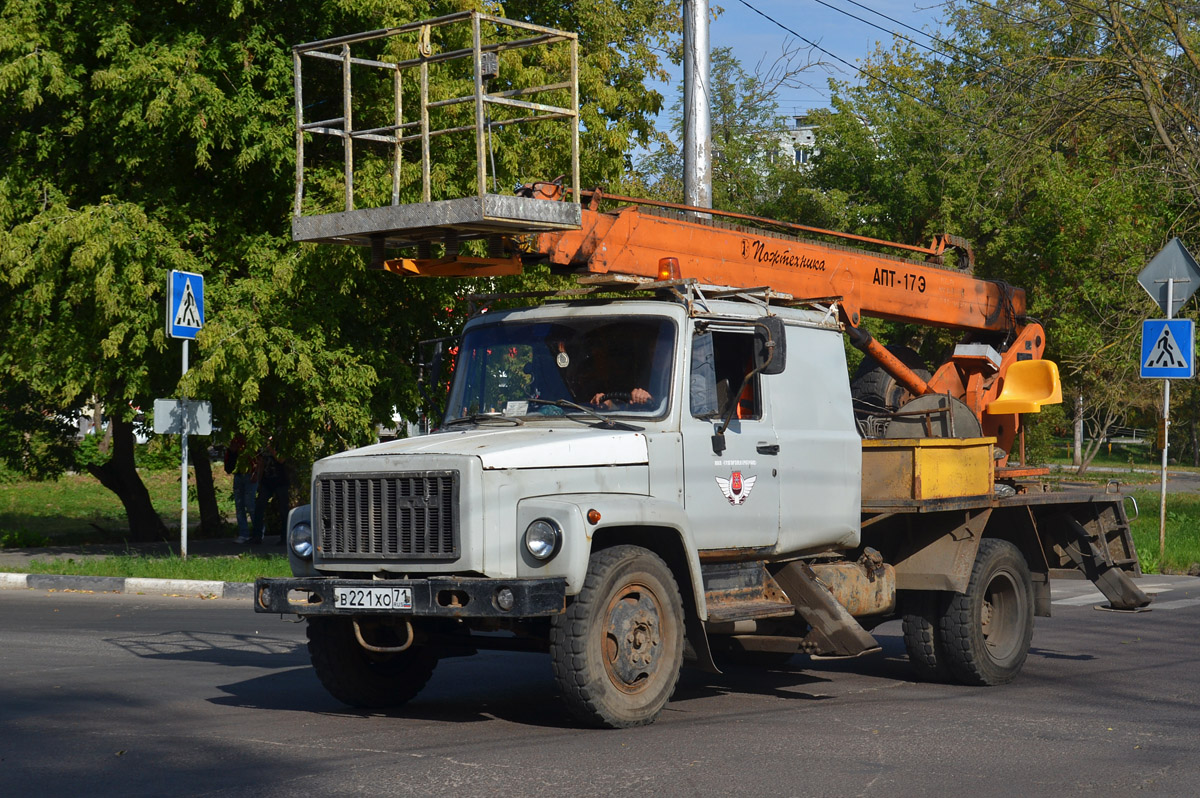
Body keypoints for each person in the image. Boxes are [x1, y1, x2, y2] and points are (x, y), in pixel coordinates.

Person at [249, 440, 290, 545]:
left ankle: (285, 537)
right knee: (259, 506)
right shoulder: (262, 444)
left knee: (284, 509)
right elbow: (261, 463)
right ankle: (257, 536)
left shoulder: (280, 443)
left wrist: (271, 448)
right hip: (267, 481)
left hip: (280, 481)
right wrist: (259, 479)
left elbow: (281, 459)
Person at [225, 434, 257, 544]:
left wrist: (255, 472)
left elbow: (256, 460)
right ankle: (244, 534)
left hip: (249, 474)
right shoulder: (233, 444)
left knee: (250, 504)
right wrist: (233, 451)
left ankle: (258, 532)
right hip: (238, 475)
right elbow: (228, 466)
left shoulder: (252, 441)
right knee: (239, 506)